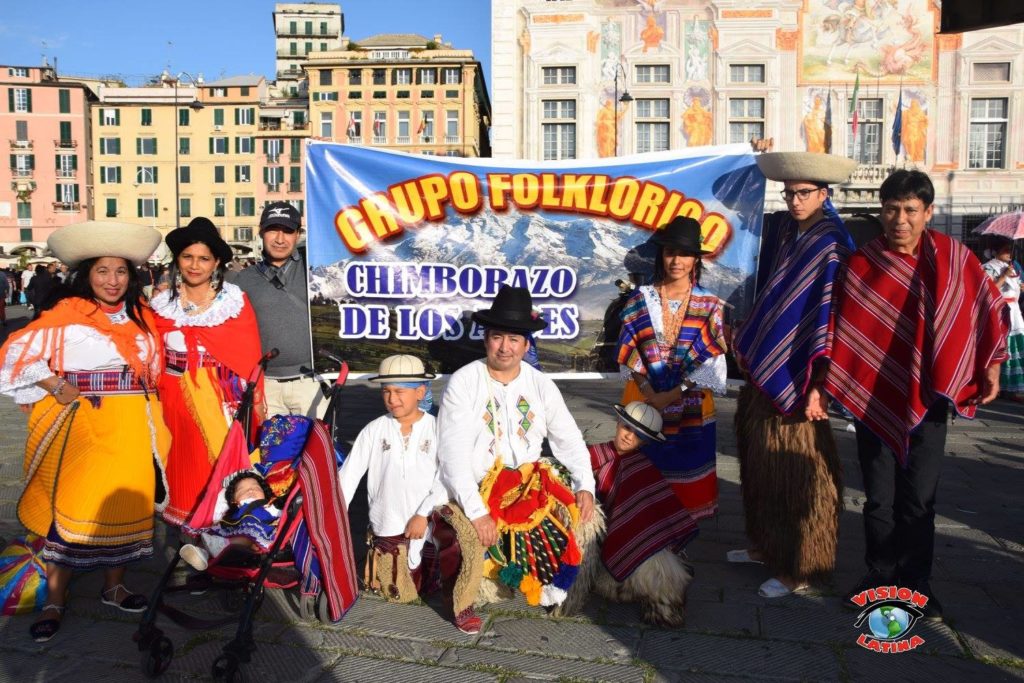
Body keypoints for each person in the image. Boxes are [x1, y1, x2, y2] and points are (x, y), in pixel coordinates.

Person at [825, 170, 1008, 620]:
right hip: (874, 398)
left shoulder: (953, 257)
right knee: (878, 496)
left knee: (920, 498)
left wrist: (992, 367)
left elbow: (989, 309)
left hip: (929, 397)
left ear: (929, 213)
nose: (899, 220)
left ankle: (916, 582)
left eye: (910, 210)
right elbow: (844, 328)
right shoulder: (863, 263)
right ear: (882, 211)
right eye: (891, 209)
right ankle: (878, 575)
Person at [0, 220, 170, 642]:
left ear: (131, 277)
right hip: (84, 425)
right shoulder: (66, 315)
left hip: (132, 426)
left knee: (128, 506)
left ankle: (114, 587)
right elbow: (15, 353)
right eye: (102, 271)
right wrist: (56, 385)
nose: (112, 281)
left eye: (120, 272)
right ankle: (55, 598)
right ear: (87, 275)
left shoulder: (143, 317)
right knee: (69, 507)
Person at [729, 146, 857, 598]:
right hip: (770, 368)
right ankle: (767, 546)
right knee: (761, 465)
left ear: (823, 193)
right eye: (789, 194)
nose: (795, 200)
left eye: (804, 193)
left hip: (802, 377)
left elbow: (830, 319)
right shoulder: (789, 235)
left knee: (797, 473)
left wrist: (820, 383)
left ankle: (800, 565)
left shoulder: (832, 245)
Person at [437, 286, 596, 633]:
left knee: (584, 515)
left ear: (527, 345)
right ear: (486, 340)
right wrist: (476, 512)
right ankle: (493, 584)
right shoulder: (464, 383)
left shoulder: (540, 385)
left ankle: (562, 590)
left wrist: (585, 483)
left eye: (514, 339)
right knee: (469, 539)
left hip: (530, 481)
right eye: (497, 337)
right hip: (478, 485)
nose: (505, 347)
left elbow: (567, 437)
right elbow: (452, 454)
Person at [151, 217, 263, 527]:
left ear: (216, 264)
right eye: (188, 257)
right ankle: (189, 537)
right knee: (184, 468)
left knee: (221, 466)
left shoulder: (234, 303)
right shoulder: (160, 305)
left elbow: (248, 358)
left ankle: (223, 538)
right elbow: (151, 354)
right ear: (178, 260)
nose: (194, 265)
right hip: (174, 402)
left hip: (220, 400)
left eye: (203, 258)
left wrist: (249, 403)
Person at [617, 215, 728, 522]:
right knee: (641, 479)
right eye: (670, 252)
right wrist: (649, 389)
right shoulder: (641, 299)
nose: (676, 260)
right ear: (661, 256)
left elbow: (712, 361)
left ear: (696, 259)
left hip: (690, 402)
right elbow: (629, 351)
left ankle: (680, 549)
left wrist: (674, 393)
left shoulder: (709, 305)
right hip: (643, 399)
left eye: (685, 253)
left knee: (685, 487)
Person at [569, 401, 698, 626]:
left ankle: (659, 600)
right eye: (627, 428)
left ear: (645, 442)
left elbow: (655, 511)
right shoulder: (590, 455)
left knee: (658, 567)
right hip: (593, 531)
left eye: (638, 435)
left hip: (638, 540)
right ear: (619, 423)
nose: (629, 437)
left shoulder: (642, 467)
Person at [339, 355, 449, 607]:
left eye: (400, 391)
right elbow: (349, 476)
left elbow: (447, 476)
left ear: (420, 392)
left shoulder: (438, 429)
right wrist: (334, 518)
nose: (392, 398)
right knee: (397, 590)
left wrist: (422, 514)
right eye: (386, 391)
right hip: (387, 523)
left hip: (428, 521)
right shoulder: (374, 430)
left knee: (427, 583)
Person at [236, 202, 324, 419]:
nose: (280, 238)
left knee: (315, 452)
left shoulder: (316, 270)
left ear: (297, 235)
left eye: (287, 231)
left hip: (310, 384)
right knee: (270, 453)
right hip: (265, 387)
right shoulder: (242, 280)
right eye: (273, 230)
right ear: (261, 233)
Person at [179, 469, 281, 572]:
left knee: (248, 537)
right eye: (242, 490)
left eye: (256, 487)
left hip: (255, 535)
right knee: (210, 533)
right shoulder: (233, 511)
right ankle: (201, 554)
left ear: (264, 492)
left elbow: (281, 514)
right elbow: (220, 509)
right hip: (233, 529)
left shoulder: (268, 506)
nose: (250, 491)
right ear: (234, 500)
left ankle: (221, 545)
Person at [982, 237, 1024, 401]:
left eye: (1010, 249)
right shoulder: (988, 267)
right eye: (1007, 249)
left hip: (1014, 311)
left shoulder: (1012, 267)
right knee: (1001, 349)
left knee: (1014, 349)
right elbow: (988, 290)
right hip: (1000, 311)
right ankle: (995, 386)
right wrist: (1003, 277)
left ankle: (1011, 389)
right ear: (996, 251)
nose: (1010, 253)